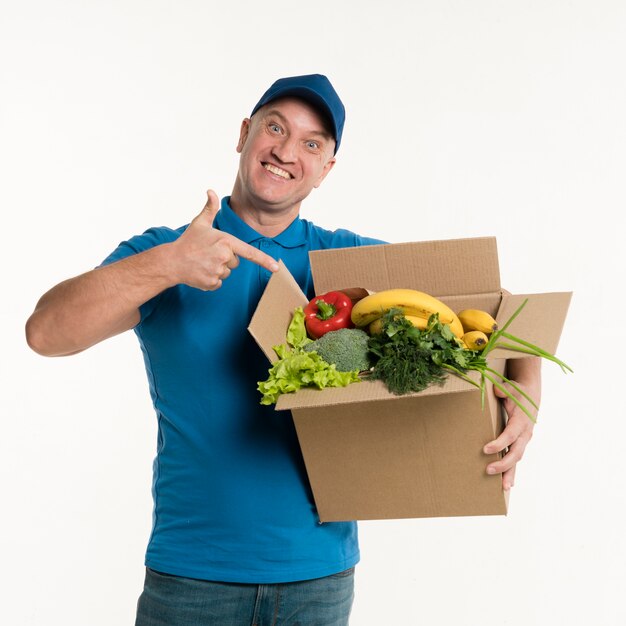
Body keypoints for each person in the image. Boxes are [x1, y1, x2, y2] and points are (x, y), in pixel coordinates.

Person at [25, 74, 540, 625]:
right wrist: (170, 264)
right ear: (245, 133)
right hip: (191, 577)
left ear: (326, 168)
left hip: (318, 579)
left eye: (312, 143)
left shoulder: (350, 265)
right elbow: (47, 333)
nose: (286, 152)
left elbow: (497, 307)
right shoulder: (166, 253)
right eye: (275, 128)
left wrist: (527, 395)